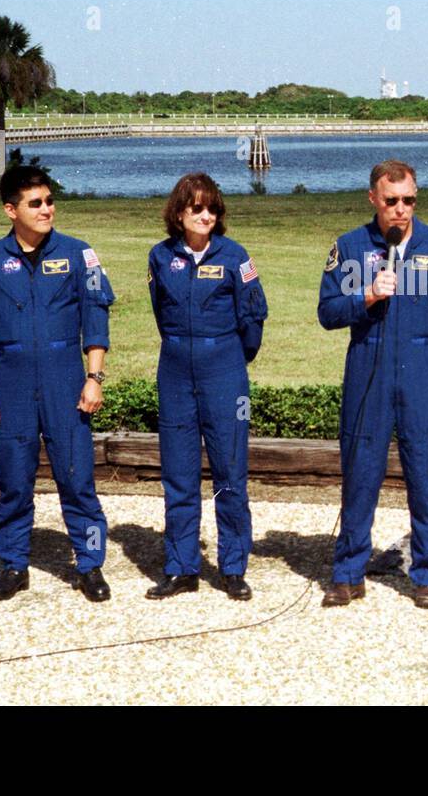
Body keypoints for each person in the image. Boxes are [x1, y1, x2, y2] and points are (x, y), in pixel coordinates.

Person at [317, 160, 428, 609]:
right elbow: (327, 312)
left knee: (427, 475)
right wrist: (366, 296)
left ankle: (426, 573)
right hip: (368, 368)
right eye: (391, 201)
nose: (400, 210)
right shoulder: (350, 247)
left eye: (409, 201)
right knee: (360, 474)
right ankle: (349, 572)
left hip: (423, 368)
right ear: (373, 199)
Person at [0, 166, 115, 602]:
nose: (46, 209)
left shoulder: (79, 253)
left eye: (49, 201)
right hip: (10, 380)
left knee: (76, 477)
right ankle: (13, 564)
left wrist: (94, 378)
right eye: (35, 203)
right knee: (14, 478)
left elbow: (96, 319)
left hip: (64, 377)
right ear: (11, 210)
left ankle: (89, 565)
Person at [144, 174, 268, 601]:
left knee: (229, 473)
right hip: (176, 372)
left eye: (212, 208)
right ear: (179, 213)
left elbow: (253, 320)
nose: (205, 216)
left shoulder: (236, 257)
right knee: (178, 476)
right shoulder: (160, 258)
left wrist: (229, 360)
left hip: (225, 373)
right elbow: (161, 313)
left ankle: (233, 567)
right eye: (196, 208)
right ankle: (181, 567)